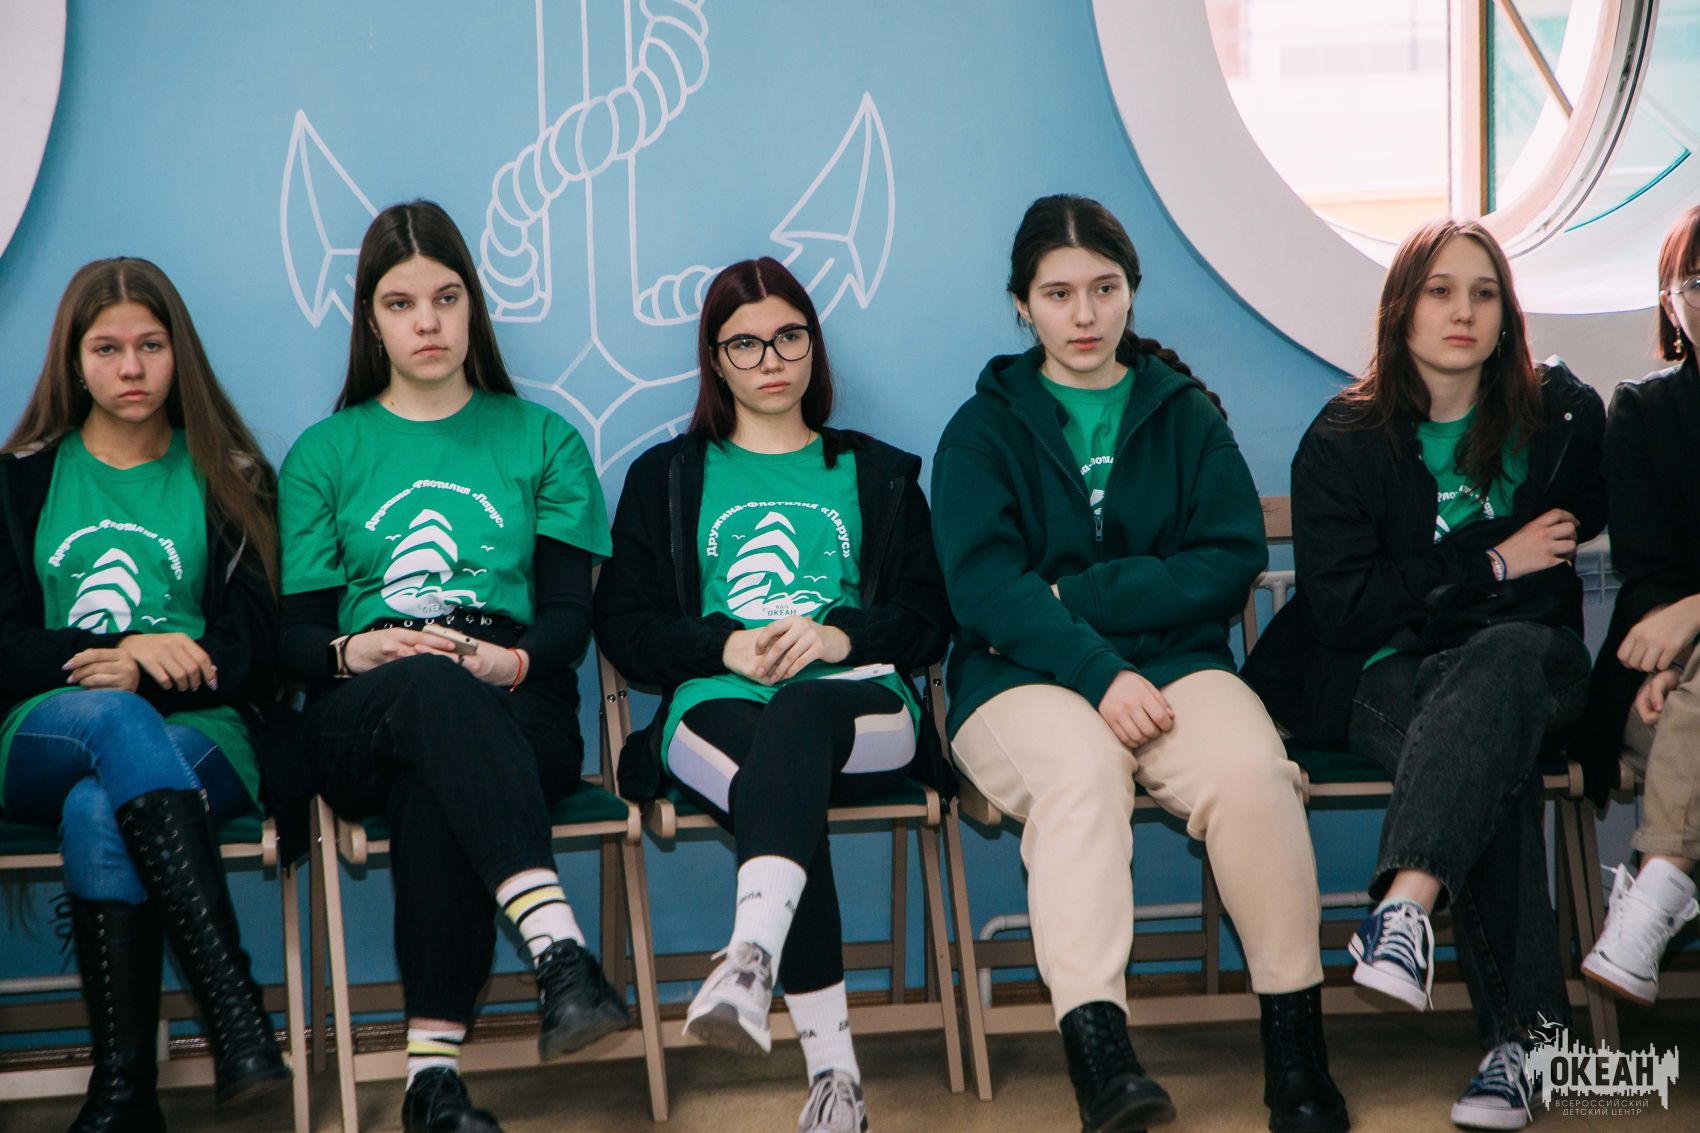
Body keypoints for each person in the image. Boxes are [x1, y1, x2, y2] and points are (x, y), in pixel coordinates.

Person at [932, 194, 1347, 1133]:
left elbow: (1230, 554)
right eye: (1058, 294)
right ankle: (1104, 1065)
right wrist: (1095, 668)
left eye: (1104, 288)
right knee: (1082, 775)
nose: (1084, 315)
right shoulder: (981, 429)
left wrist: (1081, 597)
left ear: (1132, 292)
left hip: (1177, 665)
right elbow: (986, 589)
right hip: (1018, 679)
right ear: (1022, 305)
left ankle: (1297, 1058)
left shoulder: (1185, 413)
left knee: (1253, 774)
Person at [1244, 218, 1605, 1131]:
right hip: (1384, 676)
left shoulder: (1557, 421)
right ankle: (1529, 1046)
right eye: (1440, 291)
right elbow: (1344, 610)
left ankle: (1404, 905)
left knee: (1500, 666)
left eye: (1484, 293)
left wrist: (1434, 587)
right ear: (1402, 308)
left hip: (1534, 663)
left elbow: (1575, 540)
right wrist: (1491, 564)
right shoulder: (1343, 439)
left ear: (1507, 314)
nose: (1463, 311)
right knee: (1488, 755)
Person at [277, 200, 626, 1133]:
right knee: (428, 694)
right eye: (400, 303)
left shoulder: (542, 438)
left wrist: (505, 662)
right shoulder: (324, 453)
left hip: (513, 693)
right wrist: (356, 648)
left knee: (437, 778)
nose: (426, 322)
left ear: (474, 305)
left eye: (445, 297)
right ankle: (557, 947)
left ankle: (431, 1085)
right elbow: (294, 640)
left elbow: (569, 617)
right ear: (370, 320)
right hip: (364, 703)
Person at [594, 255, 950, 1133]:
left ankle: (751, 955)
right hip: (716, 706)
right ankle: (835, 1082)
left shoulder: (875, 472)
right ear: (715, 360)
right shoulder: (667, 477)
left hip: (858, 704)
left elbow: (929, 619)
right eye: (744, 343)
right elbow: (625, 628)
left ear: (813, 345)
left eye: (789, 336)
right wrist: (722, 643)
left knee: (796, 721)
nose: (771, 359)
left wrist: (837, 636)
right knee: (780, 783)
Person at [0, 257, 290, 1130]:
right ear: (74, 359)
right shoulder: (17, 479)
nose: (131, 368)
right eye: (107, 348)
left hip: (206, 732)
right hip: (47, 727)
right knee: (113, 717)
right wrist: (119, 652)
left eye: (151, 345)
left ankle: (123, 1094)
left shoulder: (232, 474)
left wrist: (157, 670)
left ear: (178, 352)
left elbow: (256, 647)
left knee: (99, 807)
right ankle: (233, 1008)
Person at [1573, 205, 1700, 1004]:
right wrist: (1677, 652)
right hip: (1657, 681)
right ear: (1670, 303)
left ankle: (1656, 887)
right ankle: (1660, 895)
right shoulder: (1643, 412)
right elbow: (1647, 571)